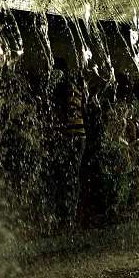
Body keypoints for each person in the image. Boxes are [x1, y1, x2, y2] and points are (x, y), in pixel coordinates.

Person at [47, 57, 87, 231]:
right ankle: (70, 213)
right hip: (81, 136)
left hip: (70, 136)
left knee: (64, 174)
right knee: (73, 175)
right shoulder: (76, 87)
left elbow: (60, 113)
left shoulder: (63, 88)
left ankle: (64, 214)